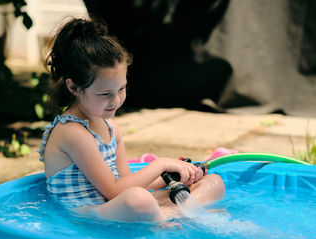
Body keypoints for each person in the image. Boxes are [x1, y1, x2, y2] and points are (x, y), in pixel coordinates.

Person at [38, 16, 225, 223]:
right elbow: (115, 192)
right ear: (74, 88)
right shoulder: (72, 132)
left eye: (121, 88)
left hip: (118, 205)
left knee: (213, 183)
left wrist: (172, 174)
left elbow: (127, 181)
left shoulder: (110, 128)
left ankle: (173, 216)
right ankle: (177, 217)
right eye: (105, 94)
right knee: (138, 199)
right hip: (87, 215)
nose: (116, 100)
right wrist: (160, 164)